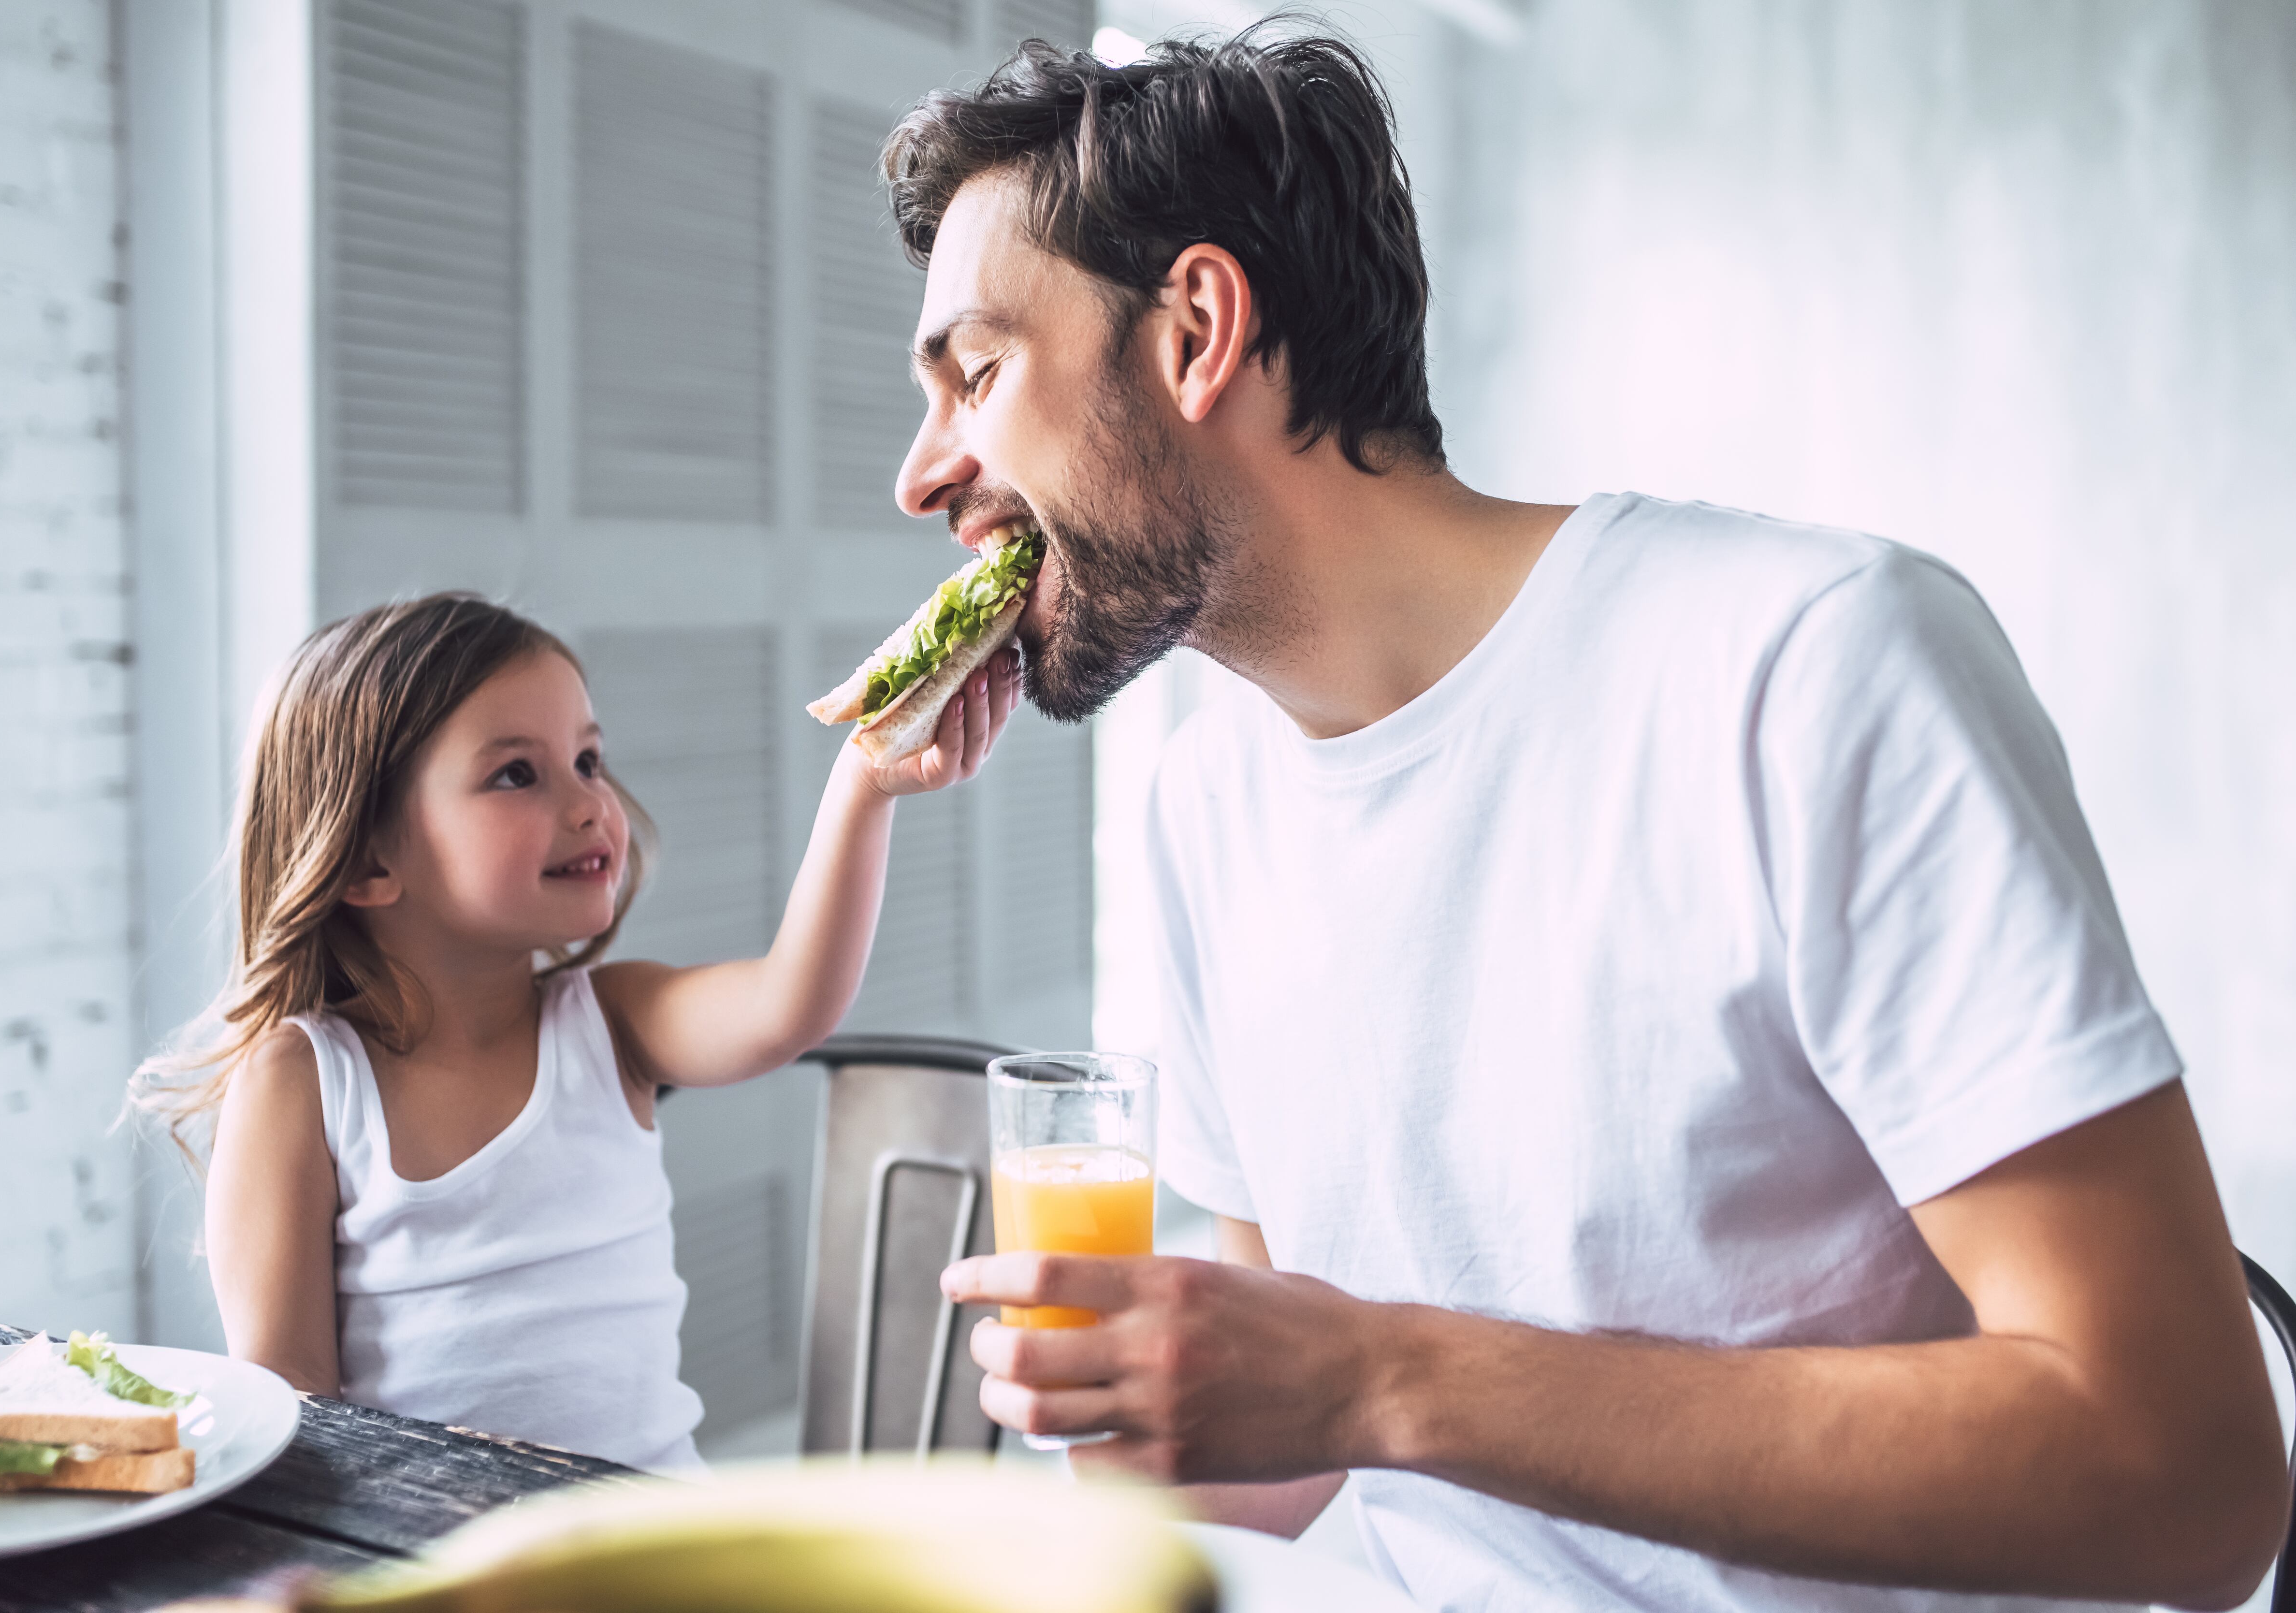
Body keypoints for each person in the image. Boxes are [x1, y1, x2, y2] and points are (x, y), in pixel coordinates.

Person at [897, 31, 2290, 1613]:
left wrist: (1381, 1373)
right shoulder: (1202, 810)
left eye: (977, 372)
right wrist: (1134, 1391)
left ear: (1199, 330)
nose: (921, 475)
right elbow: (1279, 1460)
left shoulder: (1809, 663)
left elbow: (2187, 1476)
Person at [131, 594, 1017, 1472]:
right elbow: (294, 1411)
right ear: (368, 859)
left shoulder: (612, 1022)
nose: (592, 803)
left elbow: (791, 1003)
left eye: (589, 759)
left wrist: (865, 782)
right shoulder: (303, 1081)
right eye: (518, 773)